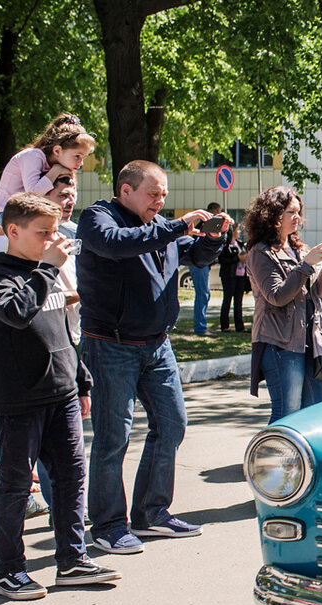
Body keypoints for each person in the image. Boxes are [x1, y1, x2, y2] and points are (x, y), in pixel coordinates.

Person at [77, 160, 227, 555]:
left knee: (172, 425)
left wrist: (212, 238)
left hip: (156, 345)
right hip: (111, 344)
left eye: (163, 193)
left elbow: (194, 255)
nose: (160, 200)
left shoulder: (159, 228)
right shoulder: (98, 217)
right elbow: (116, 245)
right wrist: (177, 225)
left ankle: (151, 513)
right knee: (114, 438)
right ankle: (108, 524)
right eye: (153, 192)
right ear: (126, 190)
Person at [0, 192, 120, 599]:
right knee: (16, 485)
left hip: (61, 394)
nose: (53, 240)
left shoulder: (47, 270)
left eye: (55, 231)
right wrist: (47, 269)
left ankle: (72, 560)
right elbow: (19, 313)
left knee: (72, 478)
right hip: (18, 400)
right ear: (13, 231)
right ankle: (10, 571)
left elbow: (61, 335)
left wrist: (81, 381)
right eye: (44, 233)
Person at [244, 186, 322, 424]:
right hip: (279, 343)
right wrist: (307, 265)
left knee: (314, 410)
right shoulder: (261, 252)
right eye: (290, 212)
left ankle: (303, 461)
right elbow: (277, 296)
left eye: (298, 212)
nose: (297, 217)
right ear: (273, 215)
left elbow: (318, 293)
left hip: (307, 341)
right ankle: (273, 460)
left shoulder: (300, 249)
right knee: (288, 412)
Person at [0, 114, 95, 221]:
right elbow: (32, 195)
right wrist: (56, 171)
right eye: (77, 156)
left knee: (74, 232)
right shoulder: (33, 156)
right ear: (57, 151)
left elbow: (73, 195)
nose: (81, 163)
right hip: (7, 214)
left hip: (33, 213)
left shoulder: (64, 165)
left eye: (83, 157)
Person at [188, 201, 224, 334]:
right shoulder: (207, 225)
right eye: (219, 212)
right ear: (214, 212)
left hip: (201, 264)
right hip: (199, 264)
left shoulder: (203, 224)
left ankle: (201, 325)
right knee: (203, 294)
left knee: (204, 294)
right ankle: (200, 327)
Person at [218, 224, 248, 332]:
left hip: (241, 276)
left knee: (238, 302)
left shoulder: (240, 244)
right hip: (229, 275)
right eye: (237, 230)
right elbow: (222, 260)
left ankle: (239, 326)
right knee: (227, 300)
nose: (239, 232)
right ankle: (224, 325)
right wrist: (237, 258)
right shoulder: (225, 245)